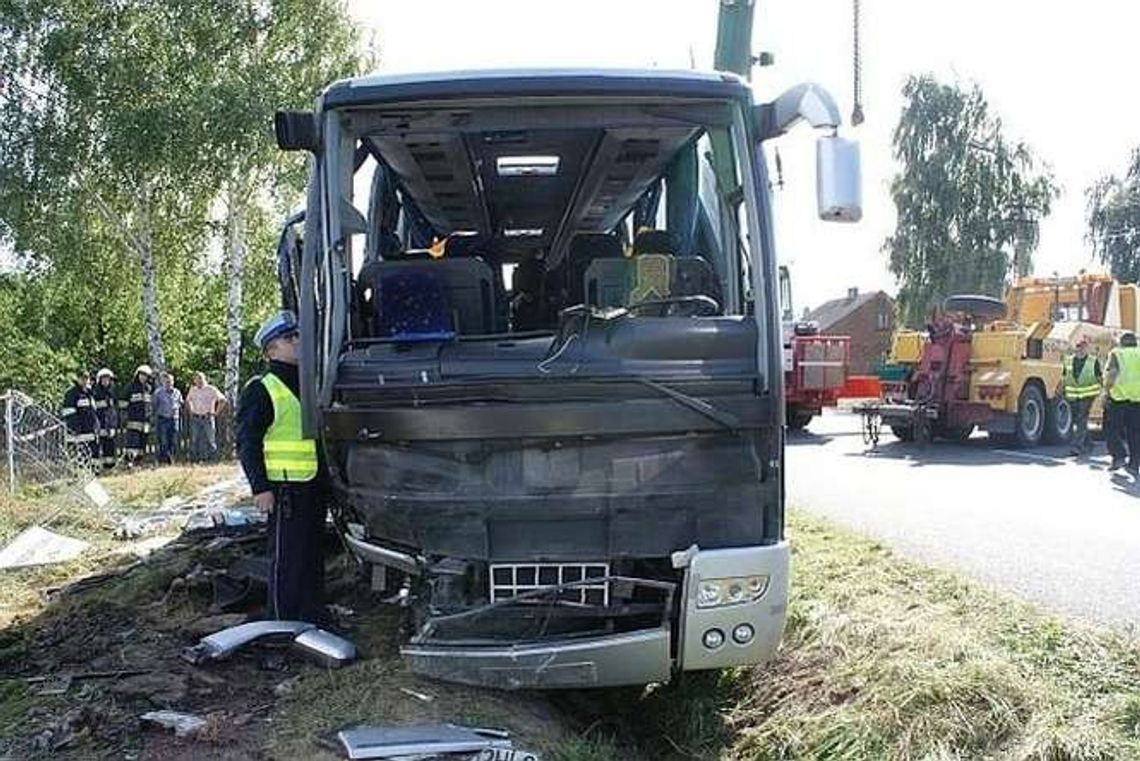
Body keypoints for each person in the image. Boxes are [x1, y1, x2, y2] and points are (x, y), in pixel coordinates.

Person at [236, 310, 326, 622]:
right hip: (285, 490)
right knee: (287, 562)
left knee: (312, 558)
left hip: (313, 487)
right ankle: (281, 625)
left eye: (297, 336)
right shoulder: (263, 389)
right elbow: (248, 442)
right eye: (290, 338)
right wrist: (260, 488)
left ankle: (314, 619)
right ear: (272, 349)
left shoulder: (308, 383)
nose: (298, 342)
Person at [1103, 332, 1140, 476]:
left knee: (1111, 428)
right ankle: (1134, 463)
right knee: (1135, 432)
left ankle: (1118, 456)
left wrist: (1106, 391)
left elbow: (1112, 373)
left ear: (1122, 342)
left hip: (1118, 398)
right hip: (1137, 399)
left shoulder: (1117, 353)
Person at [1061, 337, 1101, 457]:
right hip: (1073, 395)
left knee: (1082, 418)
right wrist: (1060, 390)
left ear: (1087, 348)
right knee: (1077, 420)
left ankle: (1077, 446)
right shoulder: (1068, 360)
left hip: (1088, 395)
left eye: (1083, 347)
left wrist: (1104, 391)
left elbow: (1099, 377)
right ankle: (1089, 442)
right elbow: (1064, 377)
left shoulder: (1093, 361)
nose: (1080, 349)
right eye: (1078, 347)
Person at [61, 370, 99, 467]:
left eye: (87, 378)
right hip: (78, 431)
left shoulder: (90, 393)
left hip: (90, 430)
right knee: (79, 455)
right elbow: (68, 413)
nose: (85, 381)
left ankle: (92, 471)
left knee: (92, 452)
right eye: (82, 378)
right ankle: (79, 473)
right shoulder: (71, 394)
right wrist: (75, 428)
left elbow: (93, 412)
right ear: (77, 379)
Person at [186, 372, 226, 462]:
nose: (199, 381)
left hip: (207, 417)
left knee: (210, 439)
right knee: (194, 439)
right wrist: (191, 410)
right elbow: (188, 400)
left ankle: (213, 460)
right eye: (197, 379)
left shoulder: (211, 389)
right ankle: (195, 460)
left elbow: (222, 400)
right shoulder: (193, 390)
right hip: (196, 417)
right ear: (194, 381)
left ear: (205, 379)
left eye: (200, 378)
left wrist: (216, 412)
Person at [120, 365, 154, 466]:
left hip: (145, 420)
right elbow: (122, 402)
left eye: (146, 376)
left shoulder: (148, 388)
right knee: (132, 442)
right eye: (142, 375)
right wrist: (125, 415)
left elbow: (150, 404)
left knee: (142, 443)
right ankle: (129, 462)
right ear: (137, 375)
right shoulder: (130, 387)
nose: (143, 377)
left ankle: (139, 462)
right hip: (133, 420)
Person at [92, 368, 119, 470]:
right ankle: (96, 468)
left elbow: (114, 409)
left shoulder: (113, 391)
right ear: (100, 380)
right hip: (99, 423)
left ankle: (109, 467)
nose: (106, 381)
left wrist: (114, 423)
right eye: (103, 379)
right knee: (98, 446)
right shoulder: (95, 392)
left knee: (110, 446)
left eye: (107, 379)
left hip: (110, 424)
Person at [154, 372, 183, 465]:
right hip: (163, 419)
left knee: (173, 440)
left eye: (170, 381)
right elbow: (154, 405)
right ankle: (163, 460)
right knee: (163, 441)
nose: (168, 383)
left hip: (174, 419)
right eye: (166, 381)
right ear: (163, 382)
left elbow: (181, 403)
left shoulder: (177, 392)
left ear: (173, 382)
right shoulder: (158, 393)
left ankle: (171, 459)